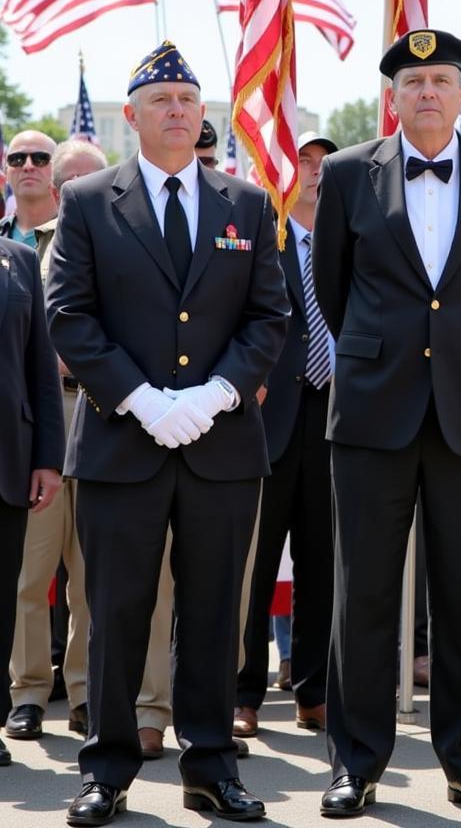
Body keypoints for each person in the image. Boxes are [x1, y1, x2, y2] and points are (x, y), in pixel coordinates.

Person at [46, 41, 289, 825]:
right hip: (124, 442)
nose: (178, 110)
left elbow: (268, 315)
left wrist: (217, 392)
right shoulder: (86, 201)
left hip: (219, 445)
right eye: (161, 100)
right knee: (115, 611)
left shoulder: (244, 204)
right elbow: (69, 316)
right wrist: (144, 400)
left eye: (188, 98)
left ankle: (211, 766)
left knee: (216, 613)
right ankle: (108, 769)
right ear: (132, 116)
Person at [312, 29, 461, 818]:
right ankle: (356, 764)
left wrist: (456, 362)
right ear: (394, 99)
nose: (429, 93)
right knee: (363, 594)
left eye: (443, 80)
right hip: (375, 408)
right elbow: (333, 292)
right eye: (415, 83)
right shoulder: (346, 175)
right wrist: (391, 357)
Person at [234, 130, 337, 739]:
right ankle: (242, 691)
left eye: (326, 162)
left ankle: (314, 689)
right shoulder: (258, 243)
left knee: (322, 563)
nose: (316, 171)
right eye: (303, 159)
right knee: (254, 563)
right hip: (265, 420)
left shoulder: (348, 246)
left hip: (333, 420)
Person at [6, 139, 105, 747]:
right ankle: (27, 694)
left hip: (94, 410)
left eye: (42, 161)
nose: (31, 169)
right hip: (28, 424)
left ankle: (88, 692)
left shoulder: (96, 240)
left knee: (92, 572)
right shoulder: (7, 249)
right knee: (28, 569)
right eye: (20, 159)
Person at [0, 238, 64, 769]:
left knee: (3, 593)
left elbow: (41, 365)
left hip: (9, 458)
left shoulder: (18, 259)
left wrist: (46, 456)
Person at [0, 131, 58, 246]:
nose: (28, 166)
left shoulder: (77, 234)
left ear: (57, 168)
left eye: (40, 158)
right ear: (6, 171)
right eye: (16, 159)